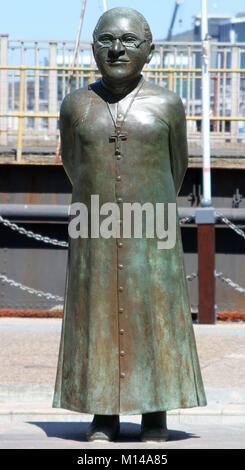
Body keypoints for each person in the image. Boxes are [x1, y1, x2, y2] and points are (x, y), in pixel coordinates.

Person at [53, 7, 206, 442]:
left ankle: (155, 415)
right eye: (106, 40)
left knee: (156, 317)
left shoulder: (167, 104)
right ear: (92, 48)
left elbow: (177, 169)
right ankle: (103, 415)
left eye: (128, 41)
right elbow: (72, 163)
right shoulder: (76, 104)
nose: (116, 49)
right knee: (95, 316)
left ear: (150, 50)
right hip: (94, 226)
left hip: (152, 228)